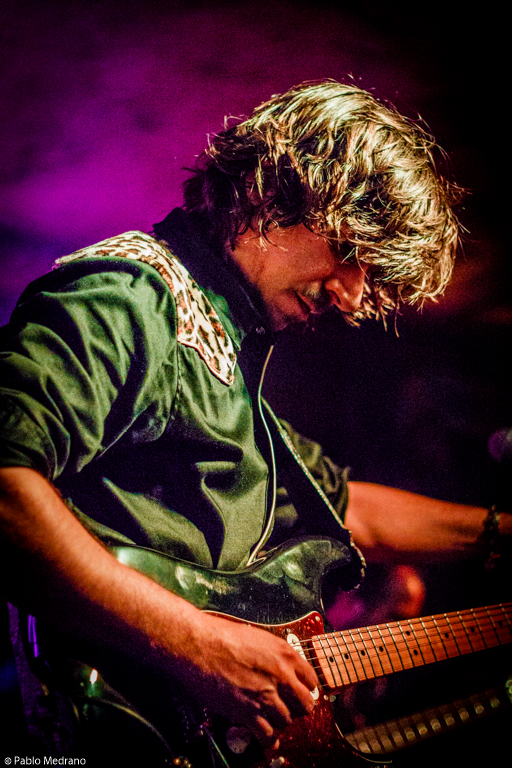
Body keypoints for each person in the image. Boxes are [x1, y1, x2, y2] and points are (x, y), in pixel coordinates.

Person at [0, 81, 509, 759]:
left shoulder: (228, 353)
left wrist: (499, 534)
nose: (352, 293)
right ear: (274, 195)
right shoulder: (130, 297)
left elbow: (345, 507)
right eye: (350, 252)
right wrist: (197, 644)